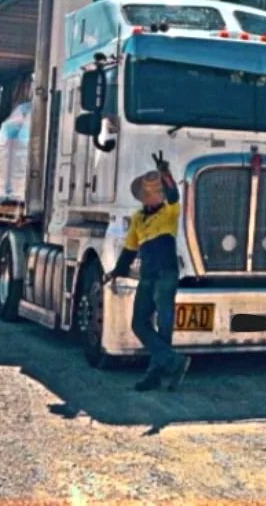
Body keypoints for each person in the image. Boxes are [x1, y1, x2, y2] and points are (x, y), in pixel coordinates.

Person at [105, 151, 191, 392]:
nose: (151, 198)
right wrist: (116, 272)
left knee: (164, 328)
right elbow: (130, 249)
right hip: (147, 276)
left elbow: (175, 195)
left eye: (156, 193)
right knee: (139, 323)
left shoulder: (170, 211)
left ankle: (155, 376)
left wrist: (166, 173)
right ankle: (173, 362)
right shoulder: (137, 219)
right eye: (148, 194)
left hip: (166, 274)